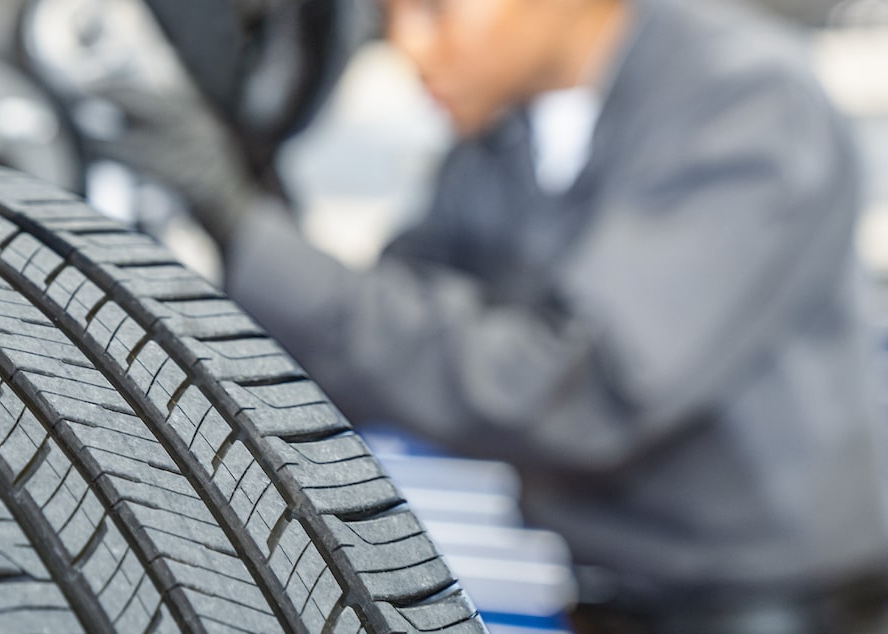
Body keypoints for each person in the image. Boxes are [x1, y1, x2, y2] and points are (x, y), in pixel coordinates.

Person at [94, 0, 888, 631]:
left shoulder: (746, 102)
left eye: (437, 9)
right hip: (605, 590)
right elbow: (387, 325)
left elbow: (578, 389)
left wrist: (244, 228)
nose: (408, 48)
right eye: (390, 14)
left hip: (770, 606)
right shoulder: (504, 129)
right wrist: (248, 205)